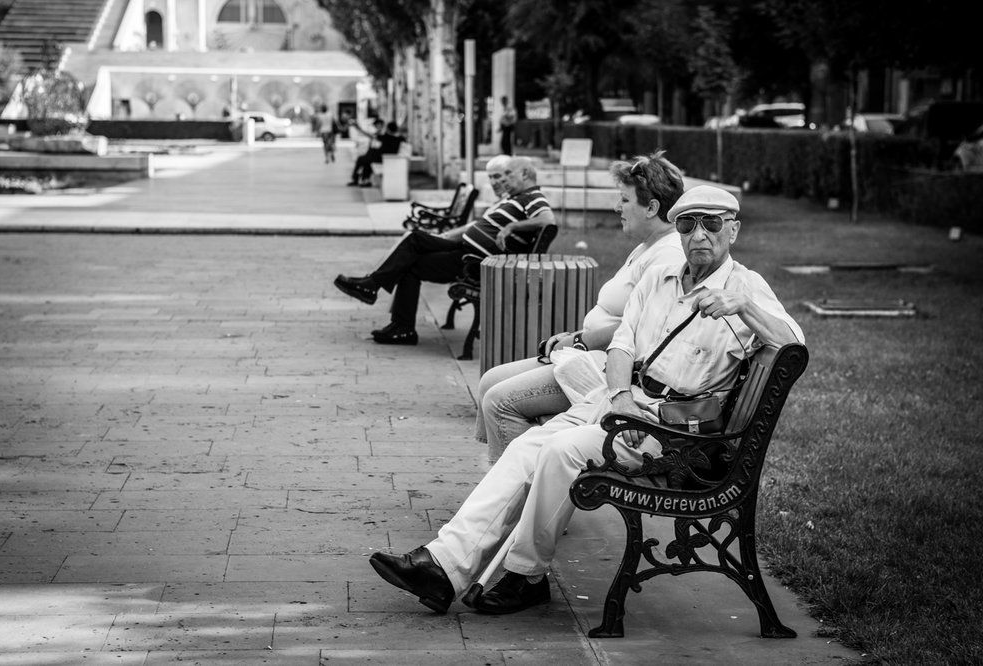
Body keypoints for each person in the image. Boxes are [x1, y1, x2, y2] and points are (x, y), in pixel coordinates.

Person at [368, 185, 804, 616]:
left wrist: (742, 306)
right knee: (525, 448)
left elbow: (792, 348)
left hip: (676, 436)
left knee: (561, 451)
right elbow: (622, 346)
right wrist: (619, 398)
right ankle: (442, 566)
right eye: (688, 224)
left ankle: (526, 576)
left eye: (712, 223)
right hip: (624, 404)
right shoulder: (659, 278)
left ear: (733, 230)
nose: (699, 234)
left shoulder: (748, 287)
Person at [476, 151, 686, 461]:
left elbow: (641, 328)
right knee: (490, 380)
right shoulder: (647, 246)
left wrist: (578, 340)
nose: (618, 207)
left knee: (499, 400)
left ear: (652, 207)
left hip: (609, 369)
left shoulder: (668, 256)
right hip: (587, 353)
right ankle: (501, 473)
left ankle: (515, 494)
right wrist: (574, 337)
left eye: (625, 200)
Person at [334, 156, 555, 345]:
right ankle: (396, 320)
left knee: (413, 246)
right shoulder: (517, 199)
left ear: (525, 174)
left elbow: (548, 219)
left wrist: (511, 226)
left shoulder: (532, 197)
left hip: (474, 262)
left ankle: (380, 297)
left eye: (509, 174)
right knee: (413, 245)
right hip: (467, 251)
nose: (504, 180)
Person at [348, 119, 405, 187]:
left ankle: (360, 179)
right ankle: (364, 180)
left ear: (388, 129)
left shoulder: (385, 137)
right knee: (367, 159)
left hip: (383, 159)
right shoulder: (400, 138)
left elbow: (371, 136)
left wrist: (358, 128)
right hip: (390, 159)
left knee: (363, 159)